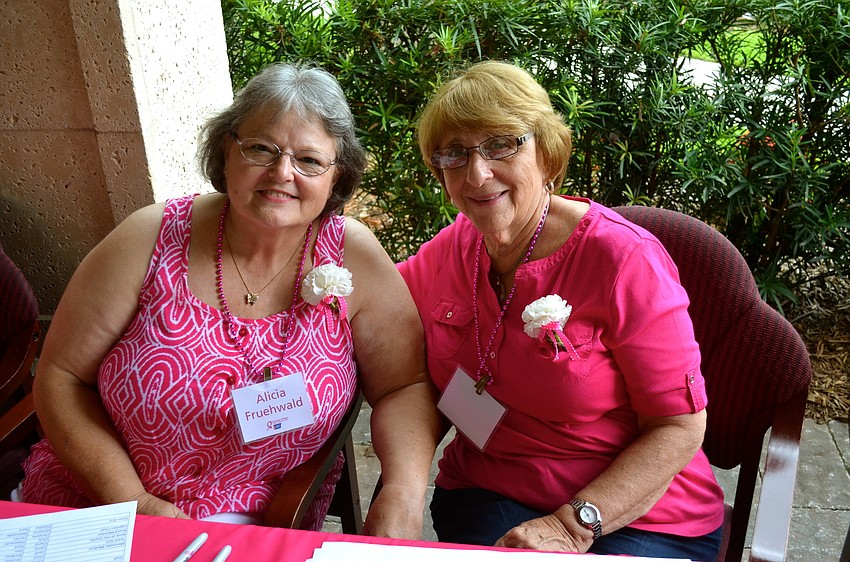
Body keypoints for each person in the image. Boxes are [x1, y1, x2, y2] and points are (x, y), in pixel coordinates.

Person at [19, 62, 442, 538]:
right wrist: (134, 502)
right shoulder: (149, 237)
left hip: (254, 516)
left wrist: (403, 494)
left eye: (309, 160)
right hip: (101, 504)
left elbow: (403, 384)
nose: (282, 173)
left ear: (335, 177)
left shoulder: (353, 256)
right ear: (226, 150)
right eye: (262, 148)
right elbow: (61, 377)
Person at [396, 60, 725, 560]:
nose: (477, 173)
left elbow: (679, 426)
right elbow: (371, 301)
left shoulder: (623, 260)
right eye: (455, 155)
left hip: (642, 513)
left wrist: (573, 525)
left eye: (501, 144)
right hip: (493, 493)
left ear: (547, 155)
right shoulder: (453, 248)